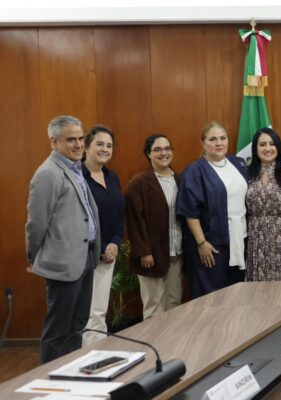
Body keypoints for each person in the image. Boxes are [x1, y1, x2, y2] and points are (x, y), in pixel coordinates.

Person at [26, 115, 101, 363]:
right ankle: (49, 379)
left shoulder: (74, 168)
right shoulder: (47, 174)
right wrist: (33, 255)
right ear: (54, 142)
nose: (79, 145)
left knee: (76, 327)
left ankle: (70, 374)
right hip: (63, 263)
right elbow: (36, 223)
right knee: (58, 331)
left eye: (80, 138)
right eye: (71, 140)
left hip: (85, 258)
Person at [177, 122, 248, 298]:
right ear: (203, 143)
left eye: (223, 138)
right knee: (212, 298)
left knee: (237, 294)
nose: (219, 143)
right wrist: (202, 243)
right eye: (213, 139)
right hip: (212, 245)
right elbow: (189, 212)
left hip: (240, 240)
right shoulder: (195, 170)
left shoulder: (238, 163)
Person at [125, 134, 184, 319]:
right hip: (152, 255)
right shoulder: (138, 184)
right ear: (148, 154)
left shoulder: (180, 179)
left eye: (167, 148)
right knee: (154, 306)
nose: (163, 153)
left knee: (175, 302)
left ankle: (173, 338)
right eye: (157, 150)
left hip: (177, 253)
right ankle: (155, 340)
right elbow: (134, 221)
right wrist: (144, 252)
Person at [81, 125, 125, 345]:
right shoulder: (77, 177)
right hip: (85, 255)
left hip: (108, 254)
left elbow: (119, 214)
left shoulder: (112, 177)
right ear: (86, 146)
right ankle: (86, 358)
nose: (105, 149)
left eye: (109, 145)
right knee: (85, 314)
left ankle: (98, 354)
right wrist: (103, 245)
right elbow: (79, 219)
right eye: (99, 144)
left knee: (99, 312)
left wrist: (115, 243)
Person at [245, 128, 281, 281]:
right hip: (256, 240)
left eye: (272, 144)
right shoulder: (249, 174)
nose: (268, 148)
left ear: (278, 147)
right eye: (262, 144)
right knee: (258, 288)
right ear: (255, 148)